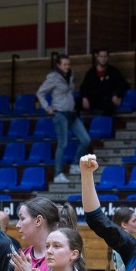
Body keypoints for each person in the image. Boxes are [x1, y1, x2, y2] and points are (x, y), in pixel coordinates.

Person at [37, 54, 92, 183]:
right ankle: (58, 174)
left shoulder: (70, 75)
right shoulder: (53, 78)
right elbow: (40, 92)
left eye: (68, 64)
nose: (67, 67)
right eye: (64, 64)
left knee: (86, 139)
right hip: (60, 113)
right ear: (58, 65)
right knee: (63, 143)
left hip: (71, 112)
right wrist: (47, 107)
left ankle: (74, 165)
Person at [79, 49, 129, 116]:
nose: (103, 59)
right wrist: (84, 98)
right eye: (101, 56)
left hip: (104, 100)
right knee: (76, 103)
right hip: (91, 99)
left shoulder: (113, 71)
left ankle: (101, 123)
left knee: (110, 106)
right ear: (98, 58)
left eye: (105, 56)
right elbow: (83, 87)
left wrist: (117, 95)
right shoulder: (91, 72)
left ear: (108, 58)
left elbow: (122, 85)